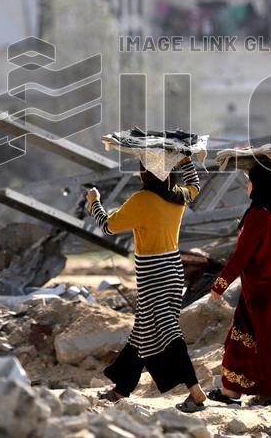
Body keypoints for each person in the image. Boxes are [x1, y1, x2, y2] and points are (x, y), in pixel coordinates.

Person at [87, 157, 208, 413]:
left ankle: (195, 390)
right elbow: (195, 184)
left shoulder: (141, 200)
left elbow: (107, 226)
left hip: (152, 274)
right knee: (143, 331)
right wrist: (186, 161)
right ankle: (121, 390)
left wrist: (94, 202)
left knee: (167, 330)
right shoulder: (179, 196)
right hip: (174, 271)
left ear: (145, 175)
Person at [208, 158, 271, 407]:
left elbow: (241, 256)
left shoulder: (258, 215)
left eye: (251, 181)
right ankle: (231, 391)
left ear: (262, 185)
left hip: (262, 290)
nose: (247, 185)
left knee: (270, 345)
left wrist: (220, 284)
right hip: (268, 288)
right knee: (241, 339)